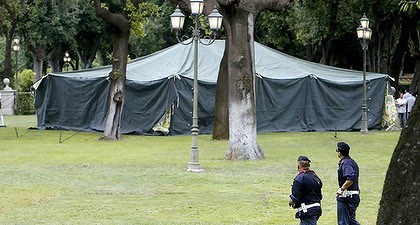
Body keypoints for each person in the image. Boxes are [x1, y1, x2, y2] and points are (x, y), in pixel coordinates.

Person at [289, 156, 323, 225]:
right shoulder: (315, 177)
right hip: (317, 208)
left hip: (307, 211)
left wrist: (291, 201)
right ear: (309, 166)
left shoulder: (299, 179)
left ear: (298, 166)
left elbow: (296, 197)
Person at [336, 142, 360, 225]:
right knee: (351, 221)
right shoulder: (352, 162)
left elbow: (350, 179)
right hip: (353, 196)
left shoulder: (345, 163)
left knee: (343, 222)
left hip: (347, 197)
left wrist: (341, 189)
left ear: (339, 152)